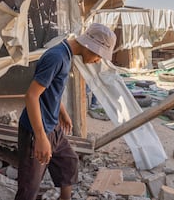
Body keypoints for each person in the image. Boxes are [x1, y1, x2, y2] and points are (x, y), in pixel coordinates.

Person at [15, 23, 116, 200]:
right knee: (29, 187)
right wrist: (40, 137)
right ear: (89, 46)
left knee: (68, 162)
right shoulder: (56, 57)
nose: (98, 60)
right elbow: (31, 96)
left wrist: (62, 112)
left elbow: (51, 89)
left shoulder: (66, 55)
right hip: (35, 130)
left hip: (52, 127)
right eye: (99, 55)